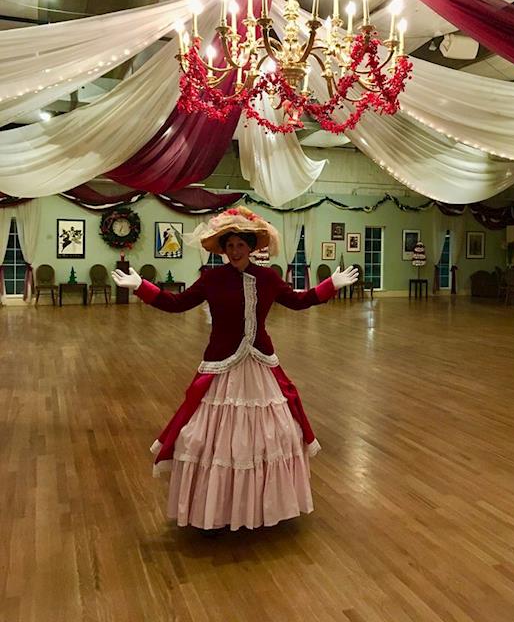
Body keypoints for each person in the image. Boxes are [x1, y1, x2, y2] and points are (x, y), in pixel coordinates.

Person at [112, 207, 358, 532]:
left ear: (251, 247)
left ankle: (263, 506)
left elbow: (299, 301)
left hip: (259, 363)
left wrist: (330, 285)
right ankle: (217, 508)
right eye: (230, 246)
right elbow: (177, 303)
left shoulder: (268, 278)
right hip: (221, 363)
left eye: (241, 245)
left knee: (272, 436)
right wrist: (141, 286)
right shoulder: (212, 278)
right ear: (223, 249)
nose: (235, 251)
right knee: (209, 438)